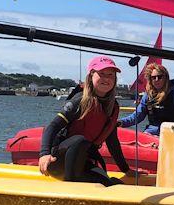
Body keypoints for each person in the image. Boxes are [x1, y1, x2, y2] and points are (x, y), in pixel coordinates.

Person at [38, 55, 134, 185]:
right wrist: (44, 154)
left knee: (112, 184)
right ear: (91, 76)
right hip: (59, 161)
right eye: (101, 74)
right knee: (80, 141)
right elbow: (53, 126)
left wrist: (126, 170)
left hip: (83, 162)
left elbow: (112, 142)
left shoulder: (112, 107)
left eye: (110, 75)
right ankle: (71, 190)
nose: (106, 78)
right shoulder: (80, 101)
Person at [118, 63, 174, 135]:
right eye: (153, 77)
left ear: (166, 78)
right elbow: (137, 116)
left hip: (172, 135)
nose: (156, 80)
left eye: (159, 77)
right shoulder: (147, 96)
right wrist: (121, 122)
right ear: (150, 79)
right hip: (150, 135)